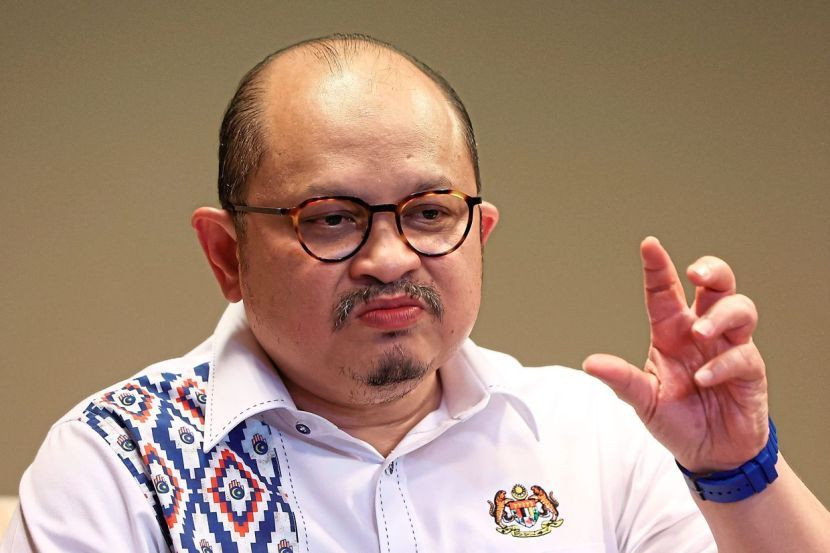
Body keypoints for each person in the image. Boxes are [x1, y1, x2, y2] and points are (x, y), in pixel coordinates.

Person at [2, 33, 828, 553]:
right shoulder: (120, 464)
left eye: (431, 212)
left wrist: (736, 469)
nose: (391, 258)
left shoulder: (592, 434)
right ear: (228, 254)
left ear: (481, 232)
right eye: (332, 219)